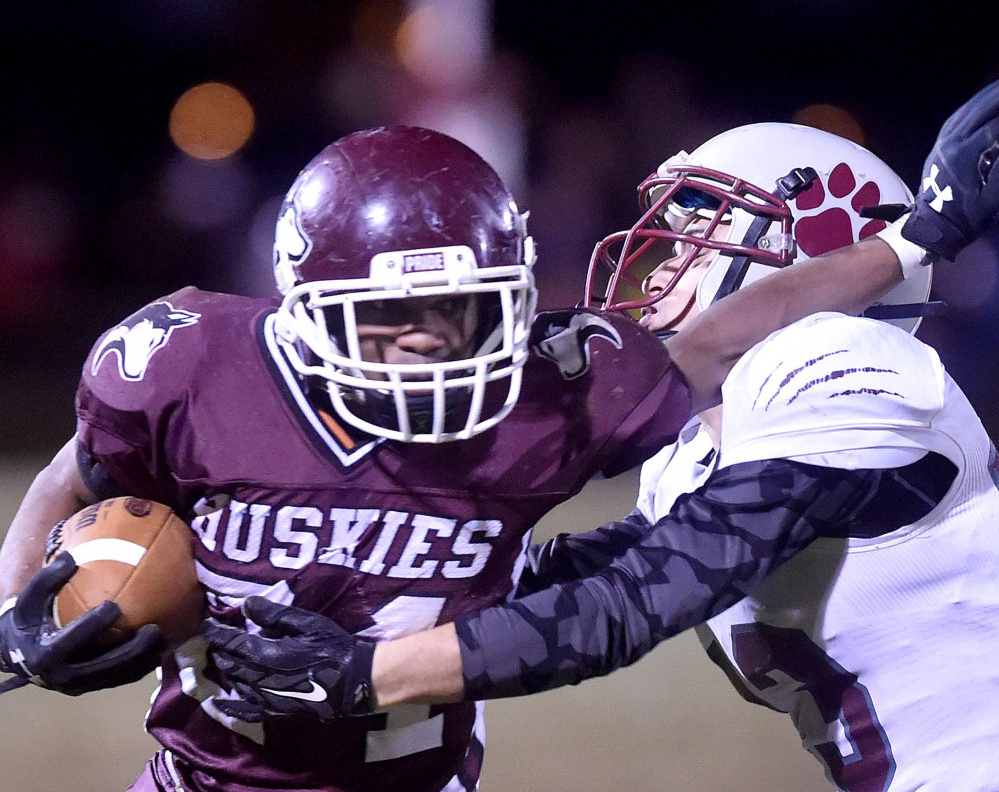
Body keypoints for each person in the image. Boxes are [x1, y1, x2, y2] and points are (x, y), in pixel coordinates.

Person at [0, 94, 974, 792]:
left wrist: (913, 241)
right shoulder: (185, 362)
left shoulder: (837, 369)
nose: (430, 342)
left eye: (700, 233)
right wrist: (22, 612)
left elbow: (637, 593)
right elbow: (70, 478)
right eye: (390, 315)